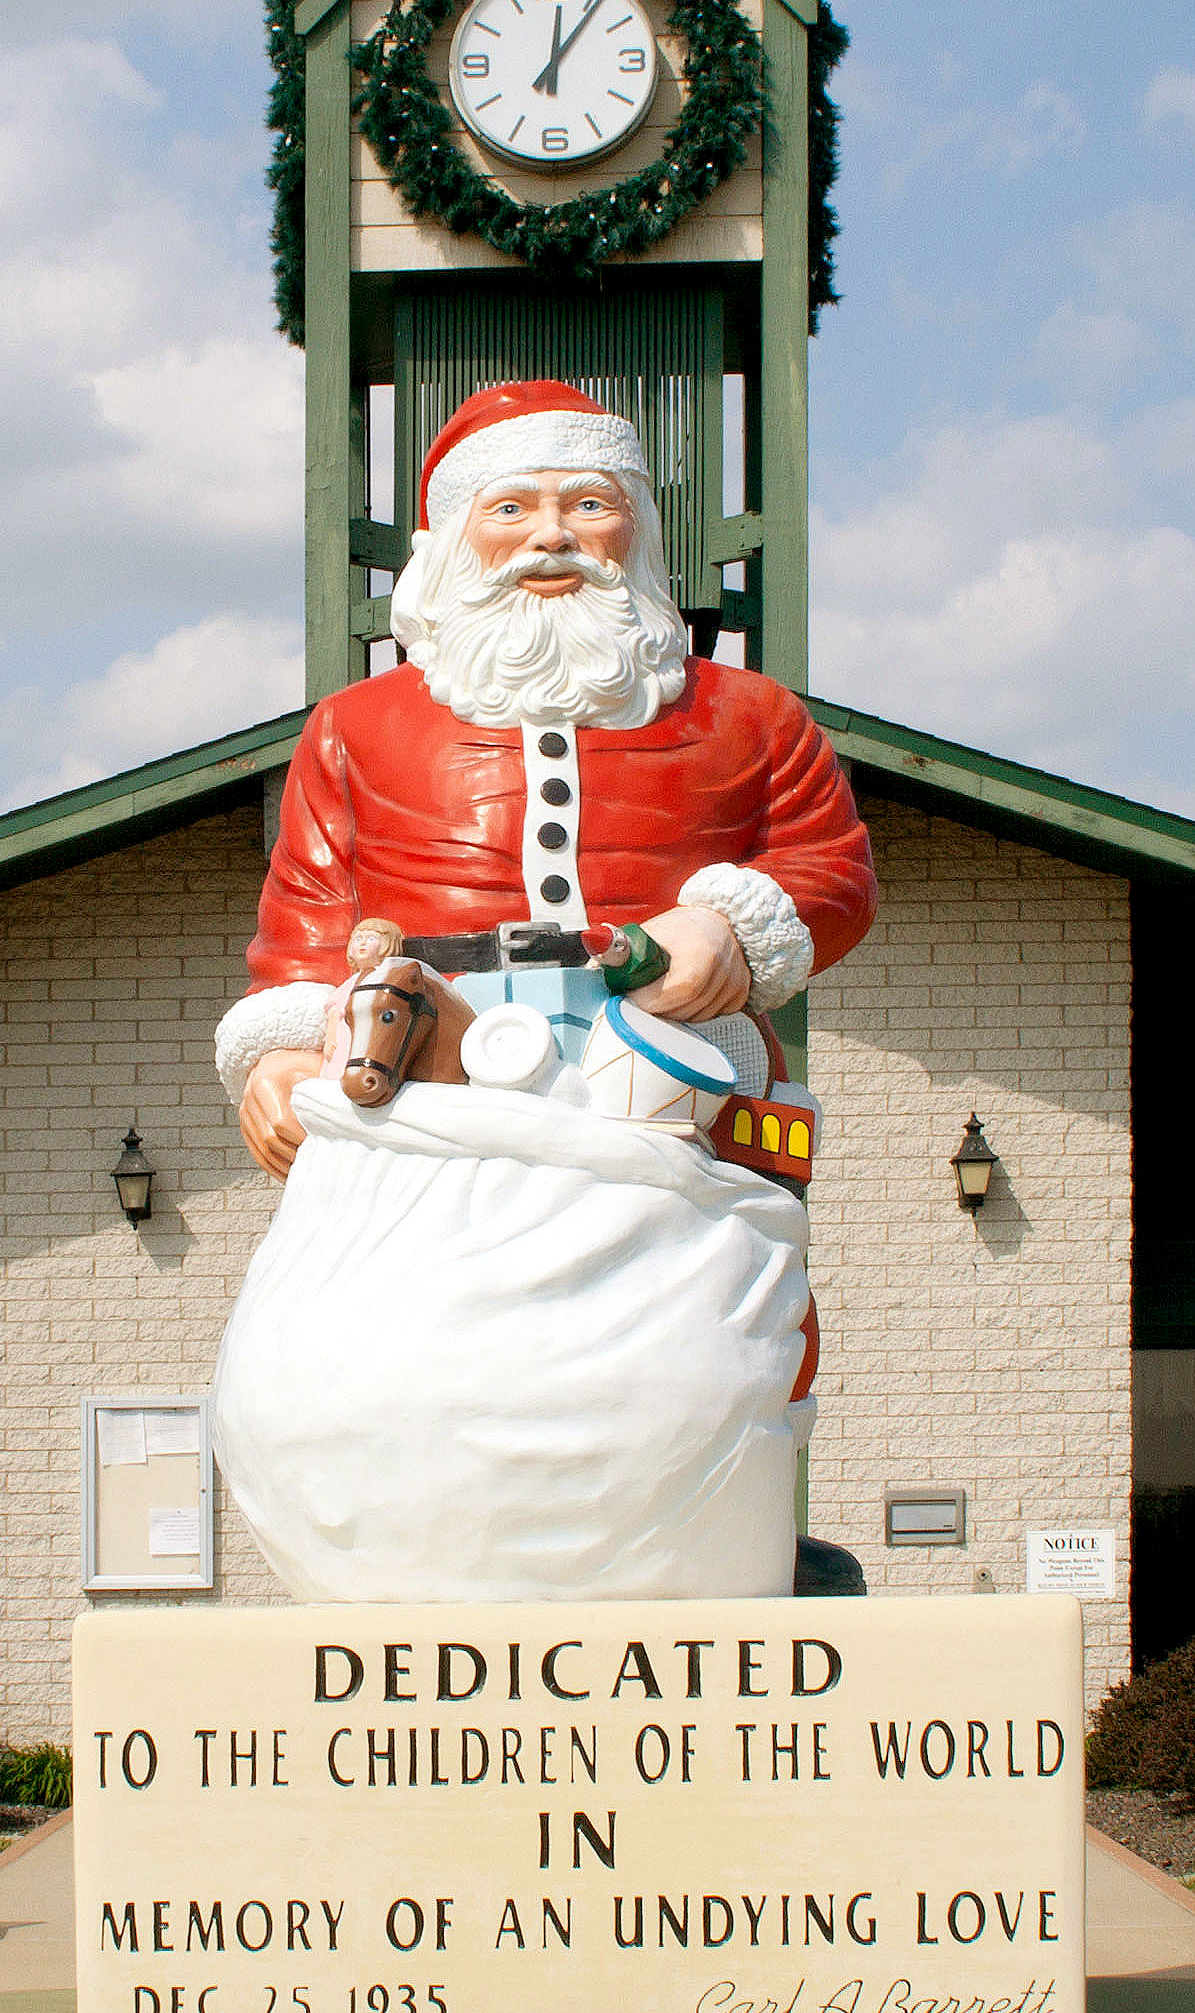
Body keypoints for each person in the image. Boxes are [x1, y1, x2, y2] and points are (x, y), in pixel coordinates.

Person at [204, 379, 881, 1603]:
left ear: (640, 531)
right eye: (509, 506)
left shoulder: (753, 719)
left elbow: (830, 870)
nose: (551, 536)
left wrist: (734, 922)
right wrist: (278, 1050)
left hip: (668, 1081)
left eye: (589, 504)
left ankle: (721, 1561)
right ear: (455, 542)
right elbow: (306, 918)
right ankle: (395, 1574)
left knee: (698, 1357)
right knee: (341, 1358)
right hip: (426, 1076)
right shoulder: (356, 729)